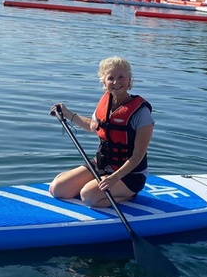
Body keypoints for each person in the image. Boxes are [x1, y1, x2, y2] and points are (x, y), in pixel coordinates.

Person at [50, 56, 154, 207]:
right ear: (104, 82)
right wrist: (67, 113)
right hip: (102, 165)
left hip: (130, 174)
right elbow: (93, 126)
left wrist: (113, 178)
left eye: (121, 77)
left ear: (129, 81)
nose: (116, 82)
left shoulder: (141, 113)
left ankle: (129, 194)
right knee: (57, 189)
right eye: (110, 78)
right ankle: (91, 183)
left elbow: (138, 155)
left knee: (88, 197)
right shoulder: (105, 103)